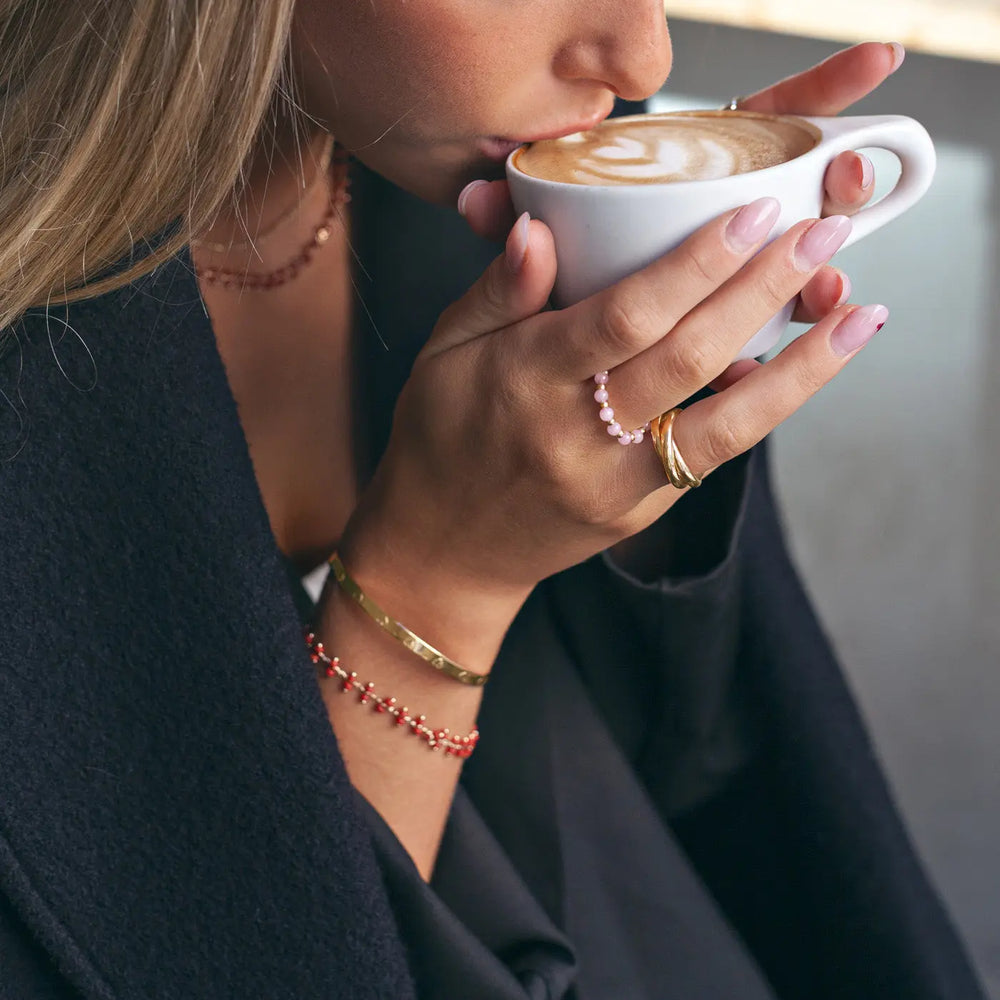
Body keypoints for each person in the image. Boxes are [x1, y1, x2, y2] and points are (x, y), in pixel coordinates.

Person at [0, 3, 986, 997]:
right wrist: (437, 585)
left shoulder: (510, 164)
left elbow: (711, 765)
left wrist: (650, 379)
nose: (642, 53)